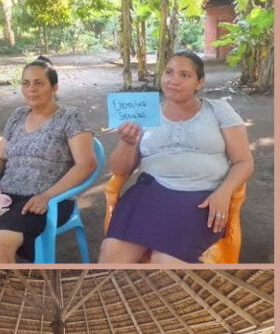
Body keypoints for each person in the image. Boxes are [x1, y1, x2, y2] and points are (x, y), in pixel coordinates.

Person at [100, 51, 254, 263]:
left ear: (199, 82)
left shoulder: (219, 110)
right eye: (169, 72)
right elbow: (120, 169)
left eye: (184, 75)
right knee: (111, 256)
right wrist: (127, 142)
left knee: (165, 264)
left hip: (201, 200)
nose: (174, 80)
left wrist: (224, 192)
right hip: (149, 195)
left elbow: (243, 162)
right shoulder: (144, 112)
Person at [0, 57, 96, 263]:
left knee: (0, 242)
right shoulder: (18, 116)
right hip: (4, 196)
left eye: (39, 83)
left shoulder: (70, 117)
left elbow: (87, 164)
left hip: (44, 201)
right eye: (26, 83)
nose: (31, 89)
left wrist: (47, 196)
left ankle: (5, 294)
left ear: (54, 87)